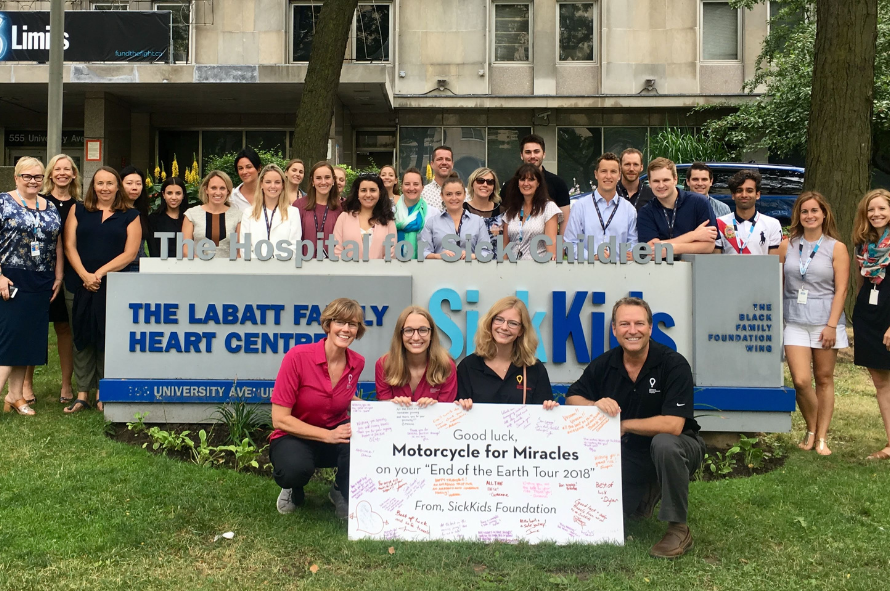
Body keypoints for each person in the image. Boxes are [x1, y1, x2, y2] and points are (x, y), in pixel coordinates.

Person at [566, 297, 705, 559]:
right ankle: (647, 491)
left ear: (651, 328)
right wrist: (596, 403)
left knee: (664, 444)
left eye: (639, 323)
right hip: (631, 454)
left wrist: (623, 425)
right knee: (618, 512)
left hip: (680, 447)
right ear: (614, 330)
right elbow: (572, 397)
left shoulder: (673, 364)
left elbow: (673, 425)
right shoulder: (605, 364)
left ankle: (678, 528)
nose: (633, 330)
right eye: (625, 324)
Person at [270, 298, 365, 519]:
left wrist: (383, 412)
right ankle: (293, 487)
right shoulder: (297, 357)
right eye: (340, 322)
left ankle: (340, 490)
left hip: (334, 433)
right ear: (328, 325)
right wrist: (328, 435)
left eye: (353, 324)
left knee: (365, 440)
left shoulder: (357, 362)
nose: (346, 329)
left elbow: (343, 397)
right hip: (294, 435)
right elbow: (280, 419)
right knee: (293, 470)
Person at [63, 166, 142, 413]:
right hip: (79, 283)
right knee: (82, 338)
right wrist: (85, 275)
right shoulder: (78, 210)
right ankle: (82, 393)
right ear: (93, 186)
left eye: (110, 183)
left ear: (118, 187)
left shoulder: (130, 215)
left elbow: (130, 253)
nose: (105, 188)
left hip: (113, 285)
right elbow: (69, 245)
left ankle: (103, 392)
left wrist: (98, 274)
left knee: (107, 339)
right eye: (100, 183)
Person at [779, 191, 849, 455]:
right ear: (798, 215)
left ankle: (821, 438)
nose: (809, 216)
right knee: (800, 380)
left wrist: (831, 325)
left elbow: (841, 290)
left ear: (824, 214)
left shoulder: (836, 247)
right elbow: (780, 282)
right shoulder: (788, 245)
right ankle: (811, 427)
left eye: (814, 211)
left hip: (825, 322)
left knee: (824, 378)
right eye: (804, 211)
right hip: (794, 321)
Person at [0, 158, 62, 416]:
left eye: (37, 177)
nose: (33, 181)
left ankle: (15, 396)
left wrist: (58, 275)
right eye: (27, 176)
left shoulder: (50, 206)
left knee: (27, 338)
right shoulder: (3, 202)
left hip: (43, 278)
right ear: (16, 177)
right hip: (12, 277)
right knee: (9, 338)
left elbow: (56, 241)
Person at [30, 154, 79, 404]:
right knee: (34, 327)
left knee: (64, 327)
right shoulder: (38, 202)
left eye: (67, 169)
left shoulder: (80, 206)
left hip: (69, 273)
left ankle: (66, 385)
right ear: (50, 174)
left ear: (73, 174)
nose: (62, 173)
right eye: (57, 169)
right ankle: (26, 385)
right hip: (38, 272)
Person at [456, 296, 556, 408]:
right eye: (499, 319)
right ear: (490, 323)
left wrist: (549, 408)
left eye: (513, 323)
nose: (504, 327)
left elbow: (542, 418)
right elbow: (456, 416)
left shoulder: (534, 369)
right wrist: (461, 407)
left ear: (521, 330)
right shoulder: (468, 366)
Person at [851, 189, 890, 460]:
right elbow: (860, 284)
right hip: (868, 316)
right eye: (871, 210)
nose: (876, 214)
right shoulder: (862, 245)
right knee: (881, 383)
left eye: (882, 209)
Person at [375, 306, 457, 406]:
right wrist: (395, 406)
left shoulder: (446, 366)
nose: (416, 337)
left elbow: (445, 413)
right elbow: (384, 411)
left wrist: (434, 408)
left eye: (423, 330)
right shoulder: (384, 365)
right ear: (400, 335)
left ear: (431, 334)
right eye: (409, 330)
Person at [564, 152, 638, 259]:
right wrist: (592, 257)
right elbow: (570, 244)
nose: (608, 176)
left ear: (619, 175)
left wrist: (631, 254)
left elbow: (633, 243)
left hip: (619, 272)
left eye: (613, 171)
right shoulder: (580, 206)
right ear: (596, 174)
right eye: (604, 171)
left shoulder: (629, 209)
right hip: (587, 270)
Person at [637, 158, 717, 255]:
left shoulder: (699, 202)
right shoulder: (646, 212)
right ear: (649, 183)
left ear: (675, 180)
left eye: (666, 180)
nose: (661, 185)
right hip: (660, 268)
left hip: (695, 267)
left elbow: (709, 246)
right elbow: (652, 249)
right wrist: (693, 236)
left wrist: (671, 248)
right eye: (656, 181)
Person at [421, 174, 490, 260]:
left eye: (458, 193)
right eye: (449, 194)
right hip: (440, 271)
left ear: (464, 195)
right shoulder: (432, 222)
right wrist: (437, 256)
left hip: (471, 271)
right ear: (442, 196)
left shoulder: (478, 221)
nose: (454, 198)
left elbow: (487, 252)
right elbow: (423, 252)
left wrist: (472, 256)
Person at [238, 164, 302, 257]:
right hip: (255, 269)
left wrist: (276, 266)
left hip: (283, 268)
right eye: (268, 182)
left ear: (283, 185)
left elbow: (295, 247)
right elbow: (245, 249)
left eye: (277, 182)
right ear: (261, 184)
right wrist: (262, 267)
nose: (273, 186)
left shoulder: (293, 212)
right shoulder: (249, 213)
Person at [512, 134, 570, 234]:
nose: (532, 156)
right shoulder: (511, 185)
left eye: (536, 151)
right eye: (528, 152)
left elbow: (565, 222)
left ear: (544, 154)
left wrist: (562, 248)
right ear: (521, 155)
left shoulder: (558, 184)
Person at [715, 169, 782, 255]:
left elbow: (774, 264)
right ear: (733, 195)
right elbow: (715, 262)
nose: (744, 195)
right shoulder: (719, 223)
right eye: (739, 191)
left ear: (757, 195)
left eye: (749, 191)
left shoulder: (772, 224)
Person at [501, 164, 560, 261]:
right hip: (513, 268)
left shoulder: (549, 208)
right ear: (518, 183)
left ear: (538, 183)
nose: (526, 183)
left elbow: (551, 243)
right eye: (522, 179)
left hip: (539, 267)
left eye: (531, 179)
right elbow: (505, 245)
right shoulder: (511, 210)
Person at [333, 174, 397, 259]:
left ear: (380, 193)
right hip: (347, 271)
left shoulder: (388, 221)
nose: (368, 195)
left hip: (380, 271)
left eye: (373, 190)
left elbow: (391, 254)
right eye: (363, 190)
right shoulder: (344, 218)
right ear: (357, 193)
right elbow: (337, 251)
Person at [182, 170, 242, 259]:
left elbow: (239, 252)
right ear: (206, 190)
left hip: (228, 270)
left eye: (222, 188)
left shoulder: (238, 215)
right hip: (198, 270)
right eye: (213, 188)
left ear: (228, 191)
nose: (218, 192)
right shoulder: (191, 214)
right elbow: (186, 250)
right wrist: (204, 267)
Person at [295, 162, 342, 258]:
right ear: (312, 181)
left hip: (333, 266)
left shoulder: (341, 208)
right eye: (318, 178)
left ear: (333, 180)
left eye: (327, 177)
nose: (323, 182)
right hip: (304, 265)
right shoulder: (299, 206)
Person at [119, 166, 151, 271]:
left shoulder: (142, 211)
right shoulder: (112, 212)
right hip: (118, 267)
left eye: (138, 184)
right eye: (129, 183)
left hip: (141, 266)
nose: (134, 187)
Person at [393, 167, 429, 260]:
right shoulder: (390, 211)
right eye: (407, 184)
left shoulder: (432, 213)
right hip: (393, 263)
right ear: (402, 187)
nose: (411, 188)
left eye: (416, 184)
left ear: (422, 187)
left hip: (423, 265)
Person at [147, 177, 187, 257]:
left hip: (188, 266)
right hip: (162, 266)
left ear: (183, 195)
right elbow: (153, 250)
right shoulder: (153, 219)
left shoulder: (189, 217)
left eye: (178, 193)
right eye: (169, 193)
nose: (174, 197)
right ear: (163, 195)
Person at [464, 167, 502, 241]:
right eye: (480, 181)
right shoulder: (461, 210)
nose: (485, 184)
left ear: (494, 187)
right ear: (472, 184)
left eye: (490, 182)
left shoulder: (502, 212)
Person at [420, 146, 454, 211]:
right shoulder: (423, 194)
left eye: (448, 159)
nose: (444, 163)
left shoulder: (464, 194)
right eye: (440, 159)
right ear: (432, 164)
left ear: (452, 164)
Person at [230, 147, 262, 212]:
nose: (244, 172)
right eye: (240, 168)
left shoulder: (270, 193)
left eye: (249, 167)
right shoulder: (232, 197)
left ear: (259, 168)